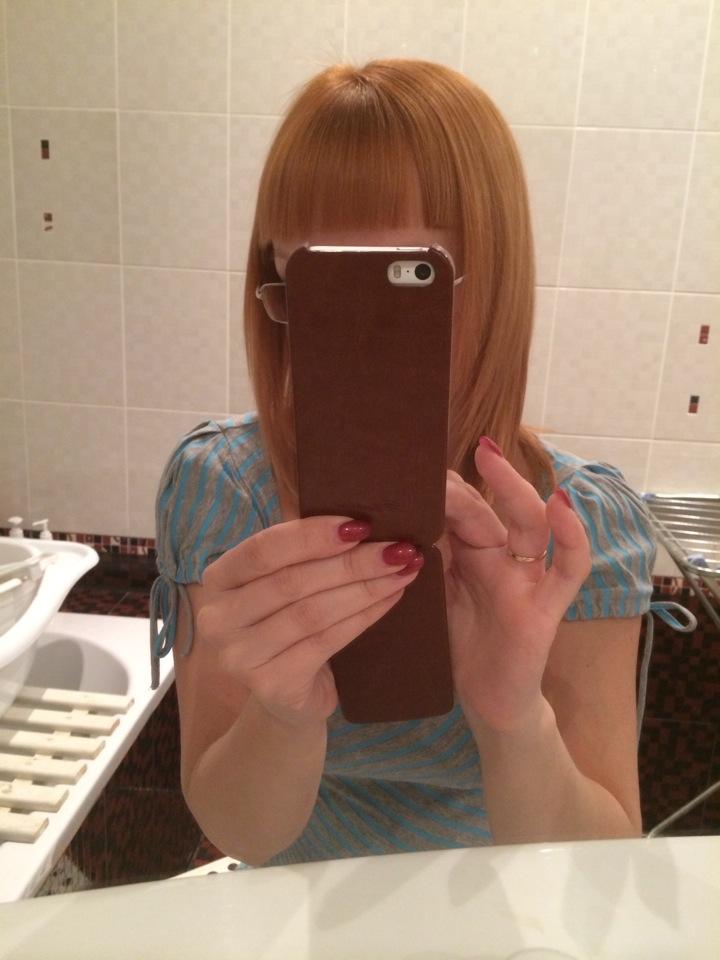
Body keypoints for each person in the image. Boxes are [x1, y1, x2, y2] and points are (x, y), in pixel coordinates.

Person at [149, 58, 658, 868]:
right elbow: (240, 829)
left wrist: (511, 717)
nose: (358, 335)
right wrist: (284, 714)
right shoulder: (228, 491)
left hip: (505, 912)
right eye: (317, 287)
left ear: (493, 283)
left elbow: (599, 858)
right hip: (289, 911)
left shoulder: (578, 525)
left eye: (404, 285)